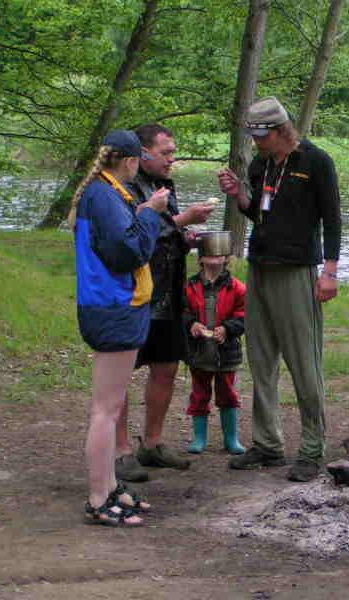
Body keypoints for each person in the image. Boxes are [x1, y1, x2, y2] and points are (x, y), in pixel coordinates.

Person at [217, 96, 341, 482]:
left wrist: (330, 272)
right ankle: (268, 444)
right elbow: (257, 212)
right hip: (261, 267)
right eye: (254, 136)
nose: (258, 143)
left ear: (282, 130)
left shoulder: (315, 162)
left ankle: (311, 447)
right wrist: (239, 193)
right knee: (262, 358)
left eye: (263, 135)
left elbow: (333, 218)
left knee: (304, 361)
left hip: (297, 270)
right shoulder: (261, 164)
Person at [69, 129, 168, 525]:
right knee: (105, 411)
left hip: (110, 307)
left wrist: (143, 212)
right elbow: (127, 252)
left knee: (107, 408)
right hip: (112, 308)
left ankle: (110, 486)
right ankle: (97, 497)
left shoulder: (103, 192)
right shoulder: (105, 196)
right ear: (129, 161)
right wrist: (150, 215)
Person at [113, 123, 216, 481]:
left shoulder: (165, 185)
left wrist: (188, 236)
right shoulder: (121, 185)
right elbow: (130, 236)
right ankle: (120, 450)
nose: (173, 159)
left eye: (173, 152)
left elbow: (165, 233)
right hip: (134, 293)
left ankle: (152, 443)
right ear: (142, 153)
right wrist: (182, 220)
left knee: (166, 367)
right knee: (119, 373)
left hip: (169, 293)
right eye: (166, 153)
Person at [182, 243, 247, 455]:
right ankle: (199, 438)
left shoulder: (237, 287)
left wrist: (228, 329)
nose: (215, 257)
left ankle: (231, 439)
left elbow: (244, 316)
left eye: (220, 254)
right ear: (200, 258)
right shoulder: (189, 286)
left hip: (226, 352)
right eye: (210, 253)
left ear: (226, 259)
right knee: (199, 393)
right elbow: (182, 311)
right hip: (199, 351)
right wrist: (191, 324)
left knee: (228, 394)